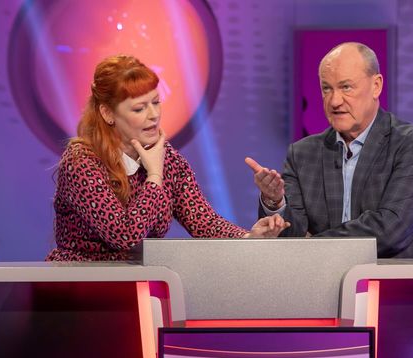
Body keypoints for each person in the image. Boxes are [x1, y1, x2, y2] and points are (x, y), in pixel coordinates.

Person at [47, 54, 288, 261]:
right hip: (81, 283)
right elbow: (124, 236)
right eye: (139, 108)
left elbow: (203, 221)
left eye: (156, 102)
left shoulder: (169, 159)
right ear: (108, 113)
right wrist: (154, 176)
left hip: (138, 281)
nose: (153, 115)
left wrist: (248, 237)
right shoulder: (82, 161)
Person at [246, 42, 413, 258]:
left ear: (376, 86)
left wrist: (309, 244)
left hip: (394, 278)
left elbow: (390, 229)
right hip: (322, 278)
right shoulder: (302, 154)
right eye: (326, 89)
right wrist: (275, 202)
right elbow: (290, 235)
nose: (335, 101)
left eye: (346, 87)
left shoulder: (412, 143)